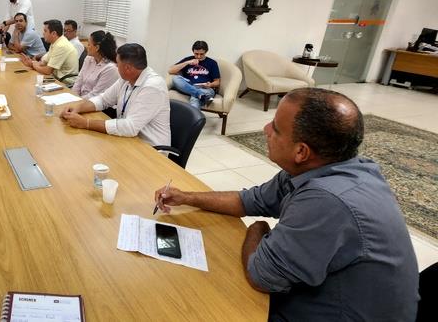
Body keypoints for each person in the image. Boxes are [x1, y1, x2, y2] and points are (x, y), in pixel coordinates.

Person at [154, 88, 418, 321]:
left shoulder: (327, 200)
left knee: (194, 301)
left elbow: (261, 276)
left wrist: (257, 229)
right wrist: (186, 197)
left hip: (332, 313)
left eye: (276, 128)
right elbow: (249, 200)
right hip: (320, 294)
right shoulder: (319, 167)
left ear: (301, 151)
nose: (265, 129)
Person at [60, 43, 170, 146]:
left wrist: (86, 123)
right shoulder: (126, 78)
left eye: (117, 64)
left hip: (150, 147)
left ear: (128, 68)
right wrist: (78, 108)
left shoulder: (153, 87)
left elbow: (130, 127)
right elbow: (103, 100)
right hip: (127, 139)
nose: (116, 66)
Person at [21, 19, 78, 85]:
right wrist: (31, 63)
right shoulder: (55, 42)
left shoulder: (61, 45)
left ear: (53, 33)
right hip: (56, 78)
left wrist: (33, 65)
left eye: (45, 31)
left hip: (65, 82)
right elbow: (44, 63)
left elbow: (48, 71)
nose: (43, 33)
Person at [168, 40, 220, 109]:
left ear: (206, 52)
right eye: (196, 54)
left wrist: (210, 85)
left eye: (201, 54)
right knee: (175, 79)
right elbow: (170, 70)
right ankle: (200, 95)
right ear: (193, 51)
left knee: (195, 98)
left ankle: (199, 95)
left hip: (205, 88)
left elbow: (217, 82)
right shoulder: (188, 59)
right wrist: (188, 62)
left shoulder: (212, 63)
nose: (198, 56)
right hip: (188, 85)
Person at [72, 30, 119, 99]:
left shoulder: (110, 68)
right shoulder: (89, 58)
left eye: (89, 44)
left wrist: (78, 101)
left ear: (97, 48)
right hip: (80, 98)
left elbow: (96, 95)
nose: (87, 47)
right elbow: (79, 81)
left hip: (93, 102)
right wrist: (73, 96)